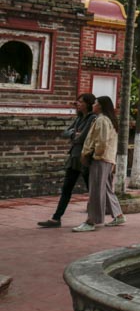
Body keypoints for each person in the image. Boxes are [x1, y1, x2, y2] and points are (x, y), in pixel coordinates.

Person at [38, 93, 97, 228]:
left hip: (85, 158)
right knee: (66, 188)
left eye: (80, 102)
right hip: (74, 157)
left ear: (88, 103)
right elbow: (66, 132)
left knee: (92, 190)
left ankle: (94, 218)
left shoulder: (92, 118)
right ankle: (56, 218)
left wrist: (75, 135)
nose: (77, 104)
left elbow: (82, 138)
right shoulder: (79, 119)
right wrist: (73, 134)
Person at [73, 96, 125, 232]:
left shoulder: (102, 120)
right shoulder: (108, 120)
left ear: (101, 106)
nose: (93, 105)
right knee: (106, 188)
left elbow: (101, 141)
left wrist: (93, 155)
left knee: (96, 190)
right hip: (107, 159)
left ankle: (91, 221)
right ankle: (118, 214)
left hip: (100, 159)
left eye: (95, 103)